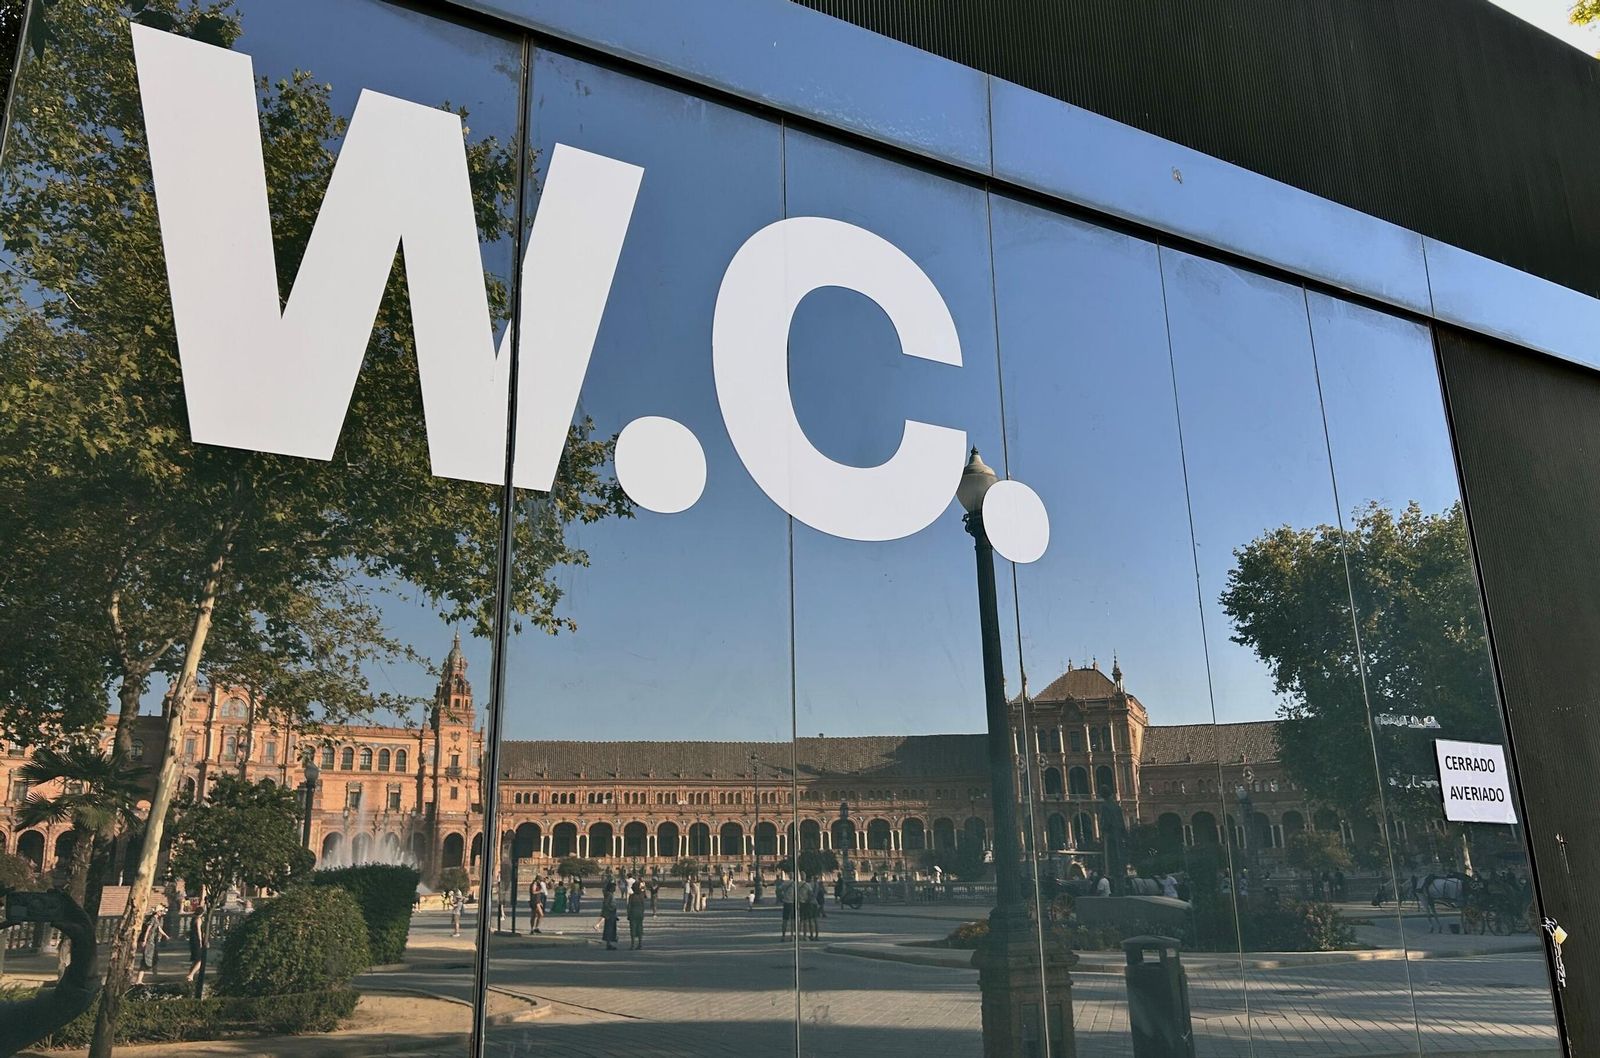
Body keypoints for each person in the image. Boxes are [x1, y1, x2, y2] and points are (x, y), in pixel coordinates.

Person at [135, 906, 168, 985]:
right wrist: (144, 940)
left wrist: (165, 935)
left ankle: (155, 974)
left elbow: (159, 928)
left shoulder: (156, 919)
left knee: (154, 958)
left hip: (153, 942)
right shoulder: (153, 919)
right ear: (157, 912)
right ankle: (138, 980)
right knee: (146, 959)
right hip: (149, 942)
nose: (162, 913)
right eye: (161, 911)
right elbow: (148, 929)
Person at [184, 903, 206, 990]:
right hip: (197, 940)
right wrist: (201, 941)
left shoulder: (193, 919)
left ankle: (190, 975)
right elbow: (198, 930)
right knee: (200, 960)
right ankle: (191, 975)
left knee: (195, 959)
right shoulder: (198, 919)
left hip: (192, 940)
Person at [627, 880, 647, 949]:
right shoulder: (641, 896)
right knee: (639, 929)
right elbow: (643, 906)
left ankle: (632, 945)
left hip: (633, 914)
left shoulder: (631, 897)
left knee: (633, 929)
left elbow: (629, 906)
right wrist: (642, 913)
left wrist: (628, 915)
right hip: (640, 914)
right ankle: (640, 944)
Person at [798, 874, 818, 940]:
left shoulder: (808, 885)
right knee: (814, 920)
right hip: (814, 903)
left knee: (808, 920)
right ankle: (815, 935)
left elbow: (810, 894)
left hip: (809, 903)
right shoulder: (816, 884)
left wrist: (807, 900)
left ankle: (809, 935)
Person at [601, 882, 619, 950]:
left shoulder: (609, 894)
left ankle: (610, 942)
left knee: (611, 928)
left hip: (611, 913)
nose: (615, 888)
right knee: (609, 928)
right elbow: (606, 904)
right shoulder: (609, 895)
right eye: (614, 887)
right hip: (610, 913)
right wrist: (611, 909)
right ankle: (608, 943)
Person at [779, 874, 796, 940]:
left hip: (786, 903)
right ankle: (792, 936)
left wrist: (781, 896)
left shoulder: (785, 883)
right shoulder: (795, 884)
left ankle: (783, 936)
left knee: (785, 920)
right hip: (793, 903)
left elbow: (779, 889)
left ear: (789, 876)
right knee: (792, 920)